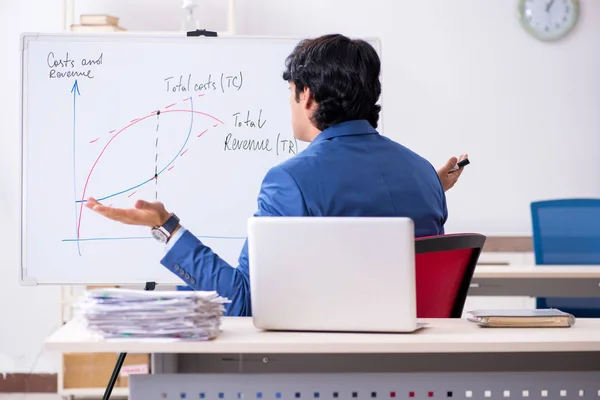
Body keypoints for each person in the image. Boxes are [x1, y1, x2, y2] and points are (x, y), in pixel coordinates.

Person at [86, 34, 467, 316]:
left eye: (290, 92)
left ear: (307, 96)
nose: (290, 103)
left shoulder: (292, 181)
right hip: (415, 369)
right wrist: (427, 182)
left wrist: (166, 226)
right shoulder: (423, 174)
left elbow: (243, 302)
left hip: (321, 372)